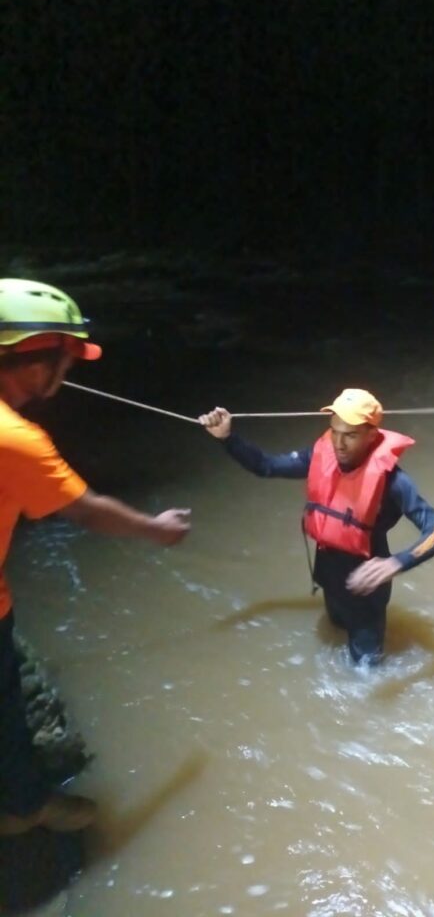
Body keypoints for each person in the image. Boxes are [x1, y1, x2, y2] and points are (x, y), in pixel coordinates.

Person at [0, 278, 191, 837]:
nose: (69, 369)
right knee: (8, 719)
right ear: (35, 359)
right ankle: (23, 811)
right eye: (66, 356)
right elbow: (86, 511)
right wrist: (157, 530)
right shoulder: (16, 439)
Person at [199, 388, 434, 665]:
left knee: (366, 674)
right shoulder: (320, 457)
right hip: (330, 579)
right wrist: (227, 438)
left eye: (351, 435)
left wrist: (396, 563)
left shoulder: (394, 482)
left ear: (372, 436)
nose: (339, 444)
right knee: (334, 632)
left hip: (365, 594)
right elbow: (265, 466)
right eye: (335, 432)